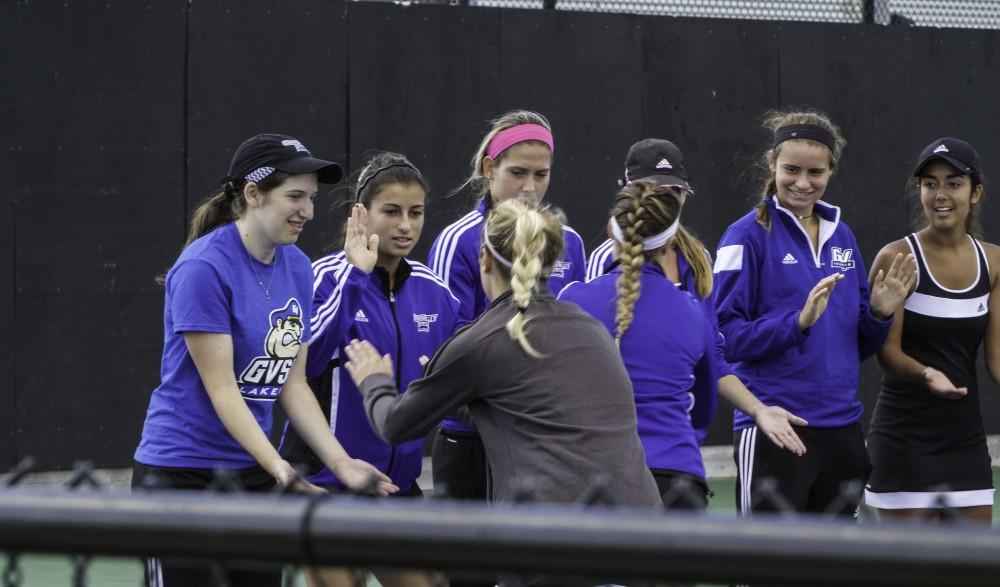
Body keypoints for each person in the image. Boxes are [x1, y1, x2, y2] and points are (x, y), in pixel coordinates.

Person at [133, 133, 395, 587]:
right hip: (180, 479)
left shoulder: (297, 266)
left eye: (312, 198)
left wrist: (340, 462)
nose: (308, 212)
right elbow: (222, 388)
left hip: (250, 475)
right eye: (295, 196)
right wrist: (282, 471)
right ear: (252, 194)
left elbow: (292, 384)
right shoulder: (203, 269)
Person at [346, 198, 660, 508]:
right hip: (639, 529)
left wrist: (374, 381)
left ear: (484, 258)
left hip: (557, 533)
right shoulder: (591, 329)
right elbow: (528, 414)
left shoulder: (481, 341)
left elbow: (395, 425)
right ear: (550, 263)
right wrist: (452, 395)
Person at [712, 110, 914, 517]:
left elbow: (854, 346)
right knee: (767, 570)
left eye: (815, 172)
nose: (803, 183)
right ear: (772, 163)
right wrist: (797, 323)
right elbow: (724, 339)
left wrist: (878, 313)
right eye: (791, 169)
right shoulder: (745, 235)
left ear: (831, 172)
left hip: (841, 430)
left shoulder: (843, 236)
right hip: (776, 427)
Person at [279, 152, 459, 586]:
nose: (405, 226)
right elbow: (308, 362)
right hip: (327, 486)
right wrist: (355, 277)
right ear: (362, 213)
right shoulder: (320, 279)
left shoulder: (435, 292)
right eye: (391, 212)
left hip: (398, 488)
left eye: (415, 213)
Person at [585, 139, 809, 458]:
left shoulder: (699, 259)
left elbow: (711, 355)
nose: (667, 202)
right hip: (613, 444)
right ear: (627, 192)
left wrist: (759, 410)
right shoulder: (602, 260)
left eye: (674, 192)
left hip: (675, 442)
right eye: (654, 190)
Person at [426, 110, 586, 506]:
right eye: (517, 173)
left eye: (541, 174)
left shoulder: (569, 242)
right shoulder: (458, 241)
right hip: (471, 442)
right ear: (488, 168)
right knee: (470, 569)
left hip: (543, 446)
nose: (530, 187)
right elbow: (449, 353)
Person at [559, 181, 718, 508]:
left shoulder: (572, 300)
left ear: (611, 230)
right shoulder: (691, 310)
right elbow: (704, 405)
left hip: (595, 478)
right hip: (677, 477)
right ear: (672, 241)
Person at [865, 138, 998, 523]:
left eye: (953, 183)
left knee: (971, 572)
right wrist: (925, 373)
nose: (940, 194)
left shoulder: (994, 263)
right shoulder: (897, 257)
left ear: (976, 192)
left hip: (965, 440)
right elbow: (887, 355)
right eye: (930, 183)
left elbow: (997, 358)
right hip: (902, 438)